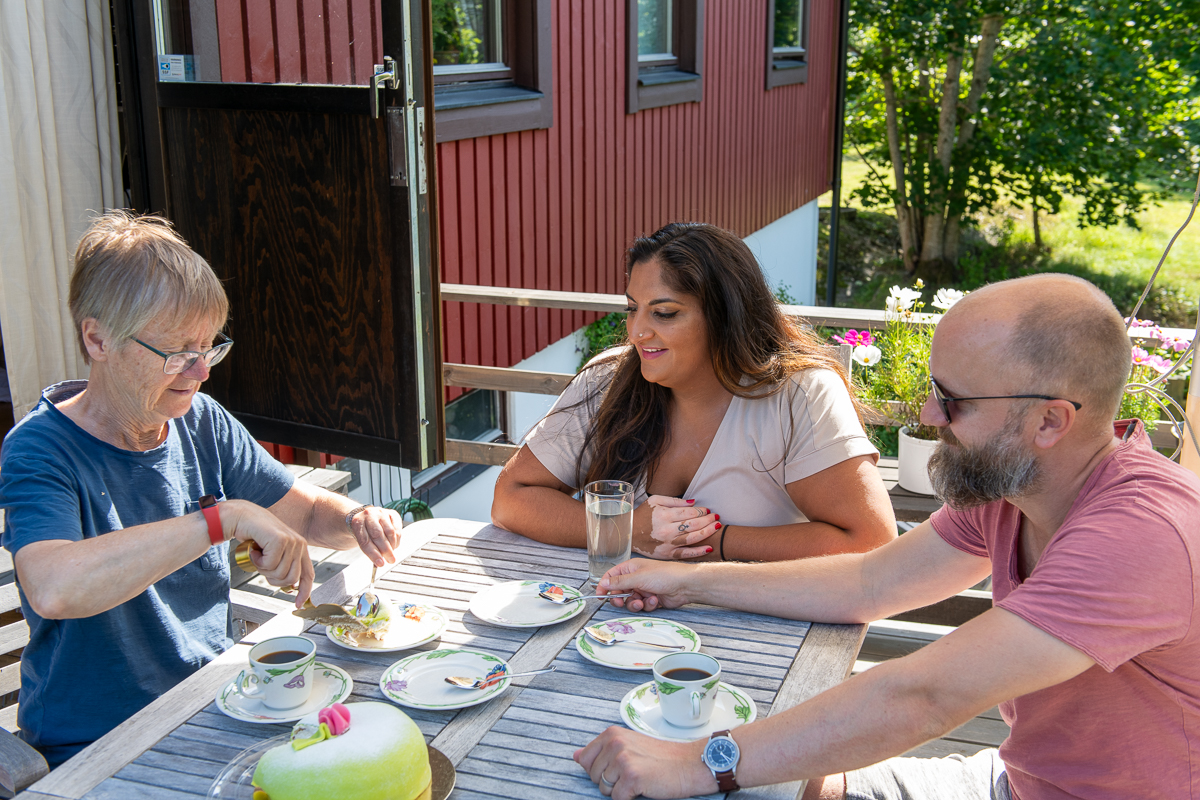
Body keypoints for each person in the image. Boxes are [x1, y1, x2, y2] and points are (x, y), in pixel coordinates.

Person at [575, 273, 1200, 800]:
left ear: (1049, 421)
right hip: (1013, 780)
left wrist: (698, 763)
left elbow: (926, 695)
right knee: (797, 786)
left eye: (952, 402)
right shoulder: (1017, 486)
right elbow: (870, 581)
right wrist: (688, 582)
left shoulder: (1141, 534)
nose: (928, 416)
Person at [0, 211, 404, 767]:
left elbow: (306, 515)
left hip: (216, 705)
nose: (201, 371)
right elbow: (55, 587)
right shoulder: (40, 449)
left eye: (209, 347)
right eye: (177, 354)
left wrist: (357, 519)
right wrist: (221, 519)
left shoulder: (201, 420)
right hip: (96, 745)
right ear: (97, 339)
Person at [491, 223, 896, 562]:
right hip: (620, 626)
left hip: (757, 633)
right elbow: (510, 499)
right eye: (633, 308)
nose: (637, 332)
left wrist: (710, 542)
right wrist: (625, 530)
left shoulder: (799, 396)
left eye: (664, 313)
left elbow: (870, 540)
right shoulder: (607, 380)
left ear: (727, 315)